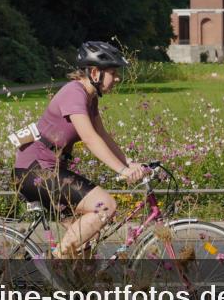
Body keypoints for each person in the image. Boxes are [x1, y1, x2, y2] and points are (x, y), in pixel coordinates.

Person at [13, 41, 147, 258]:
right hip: (35, 171)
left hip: (49, 169)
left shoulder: (89, 97)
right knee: (105, 207)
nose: (117, 78)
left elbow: (103, 136)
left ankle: (72, 288)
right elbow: (90, 138)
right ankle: (57, 264)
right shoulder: (74, 93)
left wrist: (128, 163)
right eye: (112, 72)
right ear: (94, 72)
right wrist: (122, 172)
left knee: (86, 243)